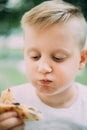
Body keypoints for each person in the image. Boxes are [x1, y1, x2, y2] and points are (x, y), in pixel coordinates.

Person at [0, 0, 87, 130]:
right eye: (35, 56)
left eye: (58, 58)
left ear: (81, 60)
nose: (43, 68)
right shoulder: (13, 99)